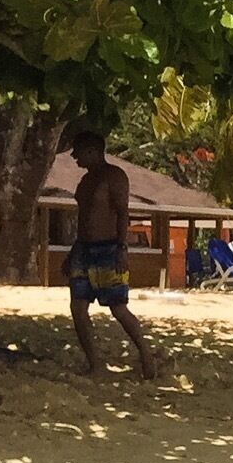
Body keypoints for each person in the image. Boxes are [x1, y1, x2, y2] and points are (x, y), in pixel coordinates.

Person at [64, 131, 156, 380]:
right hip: (83, 249)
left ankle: (146, 356)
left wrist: (122, 248)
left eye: (79, 151)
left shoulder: (115, 177)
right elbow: (84, 219)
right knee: (78, 308)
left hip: (108, 249)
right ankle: (95, 364)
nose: (74, 157)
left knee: (118, 308)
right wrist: (74, 250)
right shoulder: (84, 182)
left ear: (93, 151)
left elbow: (122, 213)